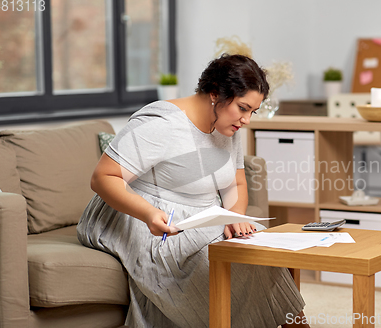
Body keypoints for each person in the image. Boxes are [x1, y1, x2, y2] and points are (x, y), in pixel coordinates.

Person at [77, 54, 309, 328]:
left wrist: (235, 214)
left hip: (203, 216)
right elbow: (103, 177)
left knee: (258, 254)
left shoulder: (228, 126)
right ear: (215, 93)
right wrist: (149, 213)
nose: (247, 120)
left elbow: (236, 183)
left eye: (252, 112)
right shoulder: (159, 124)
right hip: (141, 216)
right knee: (217, 267)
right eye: (243, 108)